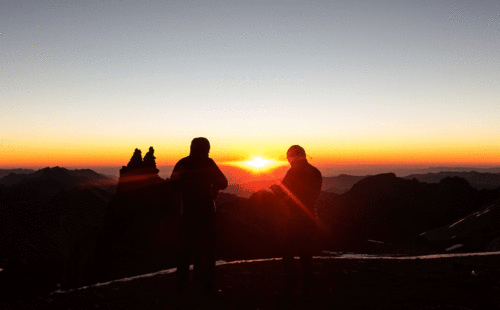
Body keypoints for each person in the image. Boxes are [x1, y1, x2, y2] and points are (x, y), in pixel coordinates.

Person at [170, 137, 228, 294]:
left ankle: (181, 284)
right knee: (208, 249)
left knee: (185, 248)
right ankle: (207, 285)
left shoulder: (182, 163)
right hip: (206, 211)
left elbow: (173, 186)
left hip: (187, 212)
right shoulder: (208, 163)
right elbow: (223, 182)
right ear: (206, 148)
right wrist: (213, 188)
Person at [270, 145, 323, 300]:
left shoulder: (294, 172)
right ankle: (308, 289)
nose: (288, 161)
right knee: (306, 254)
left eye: (289, 157)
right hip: (312, 217)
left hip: (297, 218)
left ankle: (290, 289)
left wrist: (274, 188)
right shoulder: (316, 172)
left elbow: (283, 191)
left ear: (293, 157)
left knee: (288, 253)